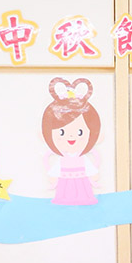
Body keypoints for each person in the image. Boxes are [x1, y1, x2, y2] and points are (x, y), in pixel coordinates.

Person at [42, 77, 101, 205]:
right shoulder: (62, 158)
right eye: (61, 133)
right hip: (65, 180)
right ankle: (64, 199)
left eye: (80, 132)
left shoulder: (82, 157)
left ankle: (84, 198)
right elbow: (56, 169)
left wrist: (93, 174)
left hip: (81, 179)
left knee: (82, 191)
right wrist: (53, 176)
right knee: (64, 193)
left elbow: (89, 167)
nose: (70, 137)